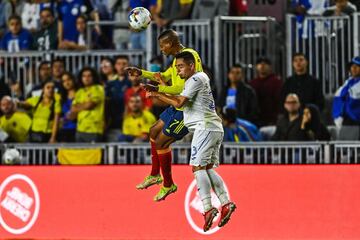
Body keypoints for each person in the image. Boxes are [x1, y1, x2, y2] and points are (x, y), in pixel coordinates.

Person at [146, 51, 236, 232]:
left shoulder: (196, 79)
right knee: (207, 168)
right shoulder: (194, 82)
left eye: (180, 66)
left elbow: (178, 103)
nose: (177, 70)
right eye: (176, 67)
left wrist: (157, 93)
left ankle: (208, 207)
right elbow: (180, 100)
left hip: (205, 128)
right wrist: (161, 88)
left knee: (197, 167)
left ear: (191, 65)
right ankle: (225, 202)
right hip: (211, 128)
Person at [126, 29, 203, 201]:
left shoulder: (189, 56)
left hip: (188, 111)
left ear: (170, 43)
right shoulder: (178, 59)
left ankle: (168, 184)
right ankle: (155, 175)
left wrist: (158, 89)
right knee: (153, 131)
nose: (161, 49)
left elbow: (181, 89)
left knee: (161, 141)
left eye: (162, 45)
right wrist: (141, 73)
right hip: (177, 107)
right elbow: (165, 76)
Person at [68, 67, 105, 143]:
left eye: (89, 76)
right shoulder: (79, 92)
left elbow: (90, 105)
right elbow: (73, 109)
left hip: (94, 129)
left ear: (94, 77)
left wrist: (79, 105)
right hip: (80, 129)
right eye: (84, 76)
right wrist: (85, 105)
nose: (86, 78)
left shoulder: (98, 88)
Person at [250, 57, 283, 126]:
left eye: (265, 64)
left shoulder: (276, 82)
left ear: (270, 67)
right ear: (256, 67)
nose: (262, 66)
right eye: (260, 64)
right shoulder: (252, 83)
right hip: (255, 119)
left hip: (272, 119)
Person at [333, 56, 360, 128]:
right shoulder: (348, 82)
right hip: (347, 119)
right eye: (352, 66)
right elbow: (339, 96)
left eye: (357, 66)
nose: (354, 68)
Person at [59, 72, 78, 142]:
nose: (67, 83)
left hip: (78, 129)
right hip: (64, 129)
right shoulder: (62, 97)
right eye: (64, 81)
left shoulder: (80, 94)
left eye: (68, 79)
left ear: (73, 80)